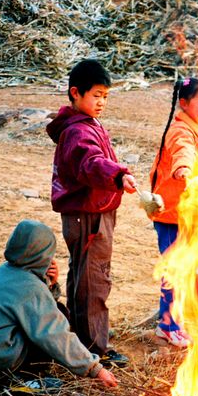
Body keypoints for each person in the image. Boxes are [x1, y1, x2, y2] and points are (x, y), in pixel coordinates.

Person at [48, 59, 136, 365]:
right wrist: (118, 176)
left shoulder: (86, 124)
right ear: (76, 93)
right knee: (94, 279)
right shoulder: (77, 132)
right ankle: (94, 349)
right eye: (96, 95)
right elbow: (90, 163)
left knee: (83, 275)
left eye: (106, 96)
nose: (102, 102)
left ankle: (80, 338)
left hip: (90, 212)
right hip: (88, 215)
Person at [0, 220, 118, 389]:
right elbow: (54, 333)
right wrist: (95, 369)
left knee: (54, 312)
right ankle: (18, 379)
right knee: (56, 321)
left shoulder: (5, 270)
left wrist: (50, 283)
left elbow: (36, 307)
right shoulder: (30, 286)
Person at [148, 77, 198, 347]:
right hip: (172, 214)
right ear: (185, 104)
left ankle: (194, 304)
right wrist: (184, 169)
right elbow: (183, 151)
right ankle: (168, 325)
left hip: (191, 212)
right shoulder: (180, 130)